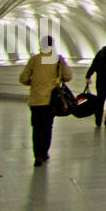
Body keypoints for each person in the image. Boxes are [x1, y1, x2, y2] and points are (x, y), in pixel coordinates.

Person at [18, 35, 71, 167]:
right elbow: (68, 76)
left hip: (36, 100)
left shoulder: (34, 60)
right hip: (51, 102)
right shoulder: (58, 59)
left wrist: (33, 83)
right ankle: (45, 152)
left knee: (36, 128)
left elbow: (23, 78)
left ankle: (38, 156)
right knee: (47, 127)